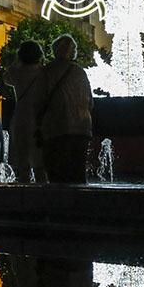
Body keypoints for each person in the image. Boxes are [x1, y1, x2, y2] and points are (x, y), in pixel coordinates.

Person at [35, 34, 93, 184]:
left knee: (56, 174)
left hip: (56, 129)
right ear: (73, 52)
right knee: (78, 173)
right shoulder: (80, 72)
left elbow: (38, 100)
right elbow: (90, 102)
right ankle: (79, 205)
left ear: (55, 50)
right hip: (81, 128)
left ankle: (58, 205)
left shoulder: (46, 72)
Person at [4, 40, 47, 182]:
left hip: (21, 117)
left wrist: (17, 61)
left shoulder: (16, 72)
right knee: (40, 161)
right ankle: (43, 193)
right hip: (40, 118)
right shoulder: (44, 73)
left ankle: (23, 193)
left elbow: (6, 78)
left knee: (23, 160)